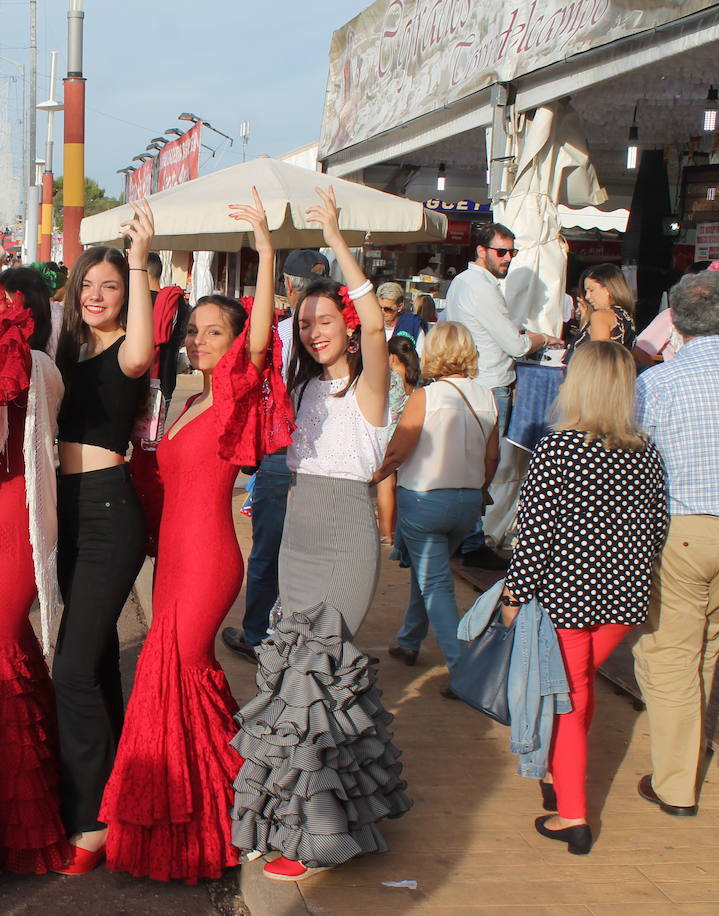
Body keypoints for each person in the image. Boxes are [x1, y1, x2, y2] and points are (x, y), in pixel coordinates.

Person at [100, 190, 290, 883]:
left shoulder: (238, 389)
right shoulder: (188, 399)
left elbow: (263, 341)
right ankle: (202, 811)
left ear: (234, 340)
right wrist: (141, 263)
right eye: (195, 332)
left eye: (214, 332)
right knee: (170, 677)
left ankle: (231, 806)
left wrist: (267, 254)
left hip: (209, 560)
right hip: (173, 560)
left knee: (183, 673)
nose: (200, 341)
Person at [231, 187, 410, 882]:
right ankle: (314, 821)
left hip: (342, 543)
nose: (314, 330)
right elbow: (256, 337)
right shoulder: (299, 387)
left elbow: (374, 327)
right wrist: (269, 254)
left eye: (324, 318)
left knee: (313, 681)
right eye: (304, 322)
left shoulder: (366, 387)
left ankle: (313, 836)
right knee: (301, 687)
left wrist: (335, 238)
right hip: (298, 537)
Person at [500, 340, 667, 854]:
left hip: (568, 596)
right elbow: (656, 527)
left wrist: (513, 595)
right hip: (622, 599)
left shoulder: (558, 449)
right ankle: (558, 775)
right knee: (578, 691)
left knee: (569, 698)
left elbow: (534, 533)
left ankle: (573, 814)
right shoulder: (645, 452)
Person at [0, 250, 71, 874]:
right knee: (0, 641)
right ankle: (10, 792)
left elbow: (8, 368)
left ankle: (13, 816)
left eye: (3, 308)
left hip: (20, 520)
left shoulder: (40, 366)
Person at [50, 202, 157, 875]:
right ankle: (120, 793)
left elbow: (143, 346)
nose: (96, 295)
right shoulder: (64, 351)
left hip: (111, 512)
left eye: (109, 286)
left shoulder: (129, 348)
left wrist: (139, 258)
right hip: (63, 510)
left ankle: (92, 821)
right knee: (91, 665)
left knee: (69, 670)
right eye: (87, 284)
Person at [632, 268, 719, 818]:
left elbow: (631, 462)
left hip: (683, 530)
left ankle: (675, 784)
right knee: (706, 646)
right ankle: (682, 761)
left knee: (669, 654)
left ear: (672, 320)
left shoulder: (658, 383)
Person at [222, 248, 328, 663]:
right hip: (325, 456)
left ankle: (257, 635)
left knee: (268, 549)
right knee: (312, 550)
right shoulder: (339, 334)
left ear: (287, 286)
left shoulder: (282, 334)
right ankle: (309, 636)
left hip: (282, 452)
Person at [374, 321, 499, 672]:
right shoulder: (487, 396)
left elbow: (397, 452)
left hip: (425, 499)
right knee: (430, 571)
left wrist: (372, 477)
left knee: (434, 581)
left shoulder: (424, 397)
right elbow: (492, 457)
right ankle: (410, 639)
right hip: (468, 500)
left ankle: (463, 668)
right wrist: (480, 487)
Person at [444, 222, 552, 570]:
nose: (508, 259)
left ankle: (465, 537)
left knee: (470, 465)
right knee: (483, 466)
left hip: (473, 381)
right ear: (481, 251)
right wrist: (542, 338)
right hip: (489, 384)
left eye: (511, 252)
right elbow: (515, 345)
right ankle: (472, 541)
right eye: (501, 251)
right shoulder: (482, 287)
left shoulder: (464, 282)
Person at [375, 334, 421, 544]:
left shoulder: (391, 377)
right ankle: (397, 530)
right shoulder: (414, 379)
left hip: (388, 436)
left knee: (385, 484)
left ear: (392, 357)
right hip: (408, 435)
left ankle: (386, 533)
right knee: (401, 486)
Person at [567, 263, 637, 361]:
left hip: (589, 374)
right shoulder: (626, 317)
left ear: (608, 289)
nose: (587, 296)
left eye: (591, 290)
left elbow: (598, 358)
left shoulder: (600, 316)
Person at [377, 281, 426, 348]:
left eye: (387, 309)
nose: (382, 312)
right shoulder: (371, 326)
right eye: (379, 308)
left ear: (400, 307)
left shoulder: (413, 325)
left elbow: (421, 355)